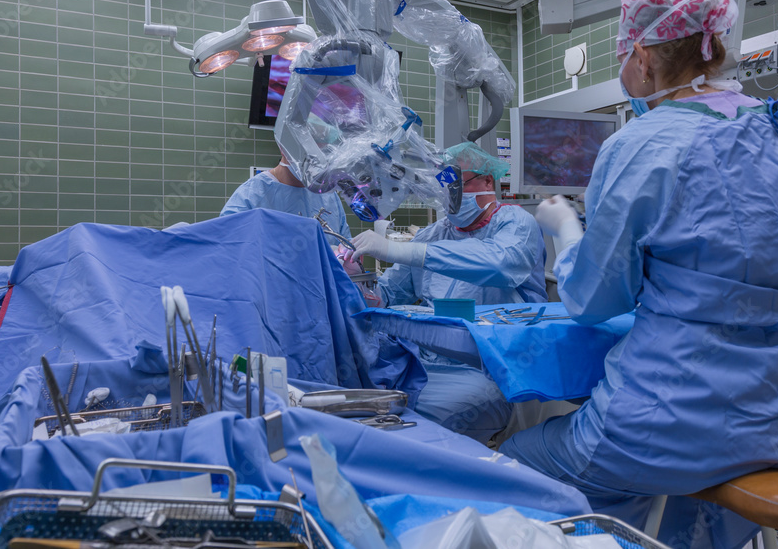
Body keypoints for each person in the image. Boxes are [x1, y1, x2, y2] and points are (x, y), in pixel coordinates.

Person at [500, 0, 778, 549]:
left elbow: (592, 301)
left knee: (514, 461)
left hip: (675, 422)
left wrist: (564, 227)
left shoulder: (644, 143)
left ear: (641, 55)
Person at [347, 141, 547, 442]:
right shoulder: (435, 233)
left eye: (456, 186)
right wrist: (357, 282)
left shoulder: (516, 222)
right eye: (442, 188)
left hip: (490, 370)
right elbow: (388, 294)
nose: (448, 197)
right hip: (424, 365)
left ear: (487, 181)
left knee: (419, 434)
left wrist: (402, 251)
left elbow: (500, 262)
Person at [220, 150, 352, 248]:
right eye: (306, 153)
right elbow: (229, 258)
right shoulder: (250, 198)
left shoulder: (328, 196)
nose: (314, 160)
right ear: (283, 146)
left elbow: (344, 249)